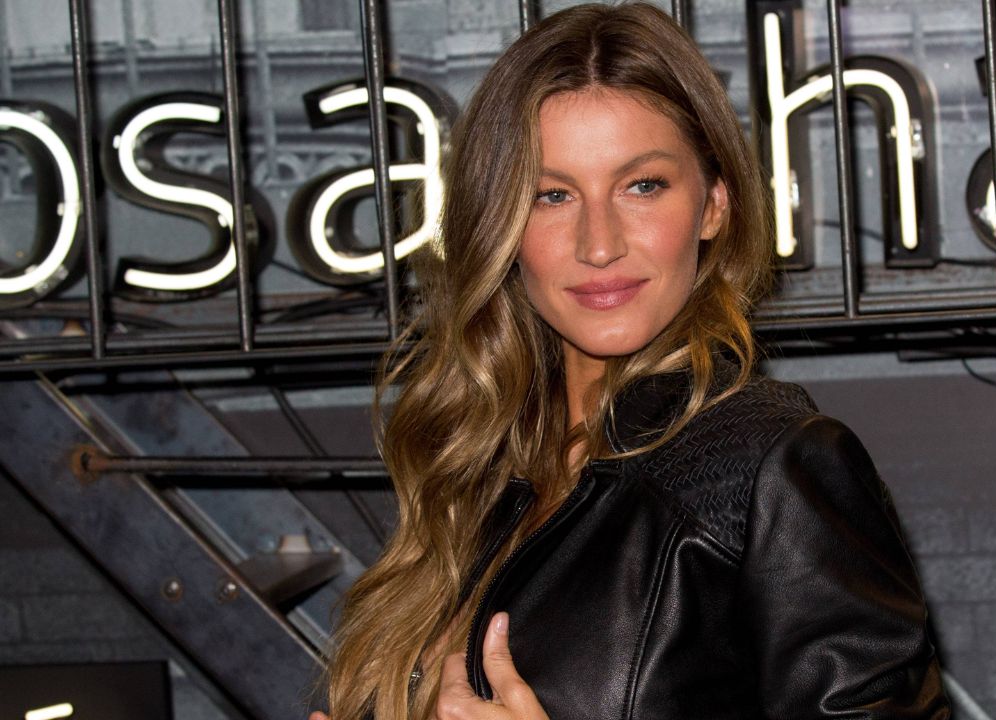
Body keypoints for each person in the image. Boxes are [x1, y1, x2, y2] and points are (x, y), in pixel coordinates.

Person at [321, 3, 951, 719]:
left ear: (714, 204)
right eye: (550, 195)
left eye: (642, 185)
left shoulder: (775, 466)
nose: (599, 243)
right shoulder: (484, 467)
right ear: (500, 225)